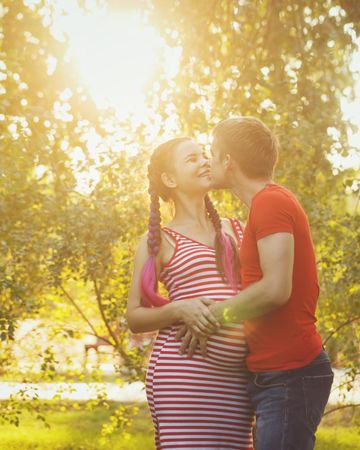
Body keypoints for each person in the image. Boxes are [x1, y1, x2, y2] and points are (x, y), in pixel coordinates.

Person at [178, 117, 334, 450]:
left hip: (291, 374)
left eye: (213, 153)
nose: (208, 161)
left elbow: (276, 289)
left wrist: (212, 316)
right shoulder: (263, 206)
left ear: (228, 161)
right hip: (277, 375)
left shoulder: (271, 202)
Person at [126, 137, 254, 450]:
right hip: (183, 377)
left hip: (238, 381)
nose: (205, 161)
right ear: (170, 179)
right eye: (192, 158)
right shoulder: (158, 241)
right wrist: (179, 309)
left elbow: (260, 293)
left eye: (204, 155)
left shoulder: (235, 229)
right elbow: (134, 316)